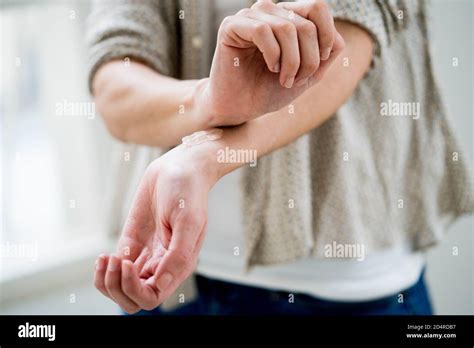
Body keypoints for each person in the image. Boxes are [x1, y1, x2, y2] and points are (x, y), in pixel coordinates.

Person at [87, 0, 473, 315]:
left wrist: (202, 156)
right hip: (177, 285)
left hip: (346, 291)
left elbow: (347, 41)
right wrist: (209, 101)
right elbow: (115, 78)